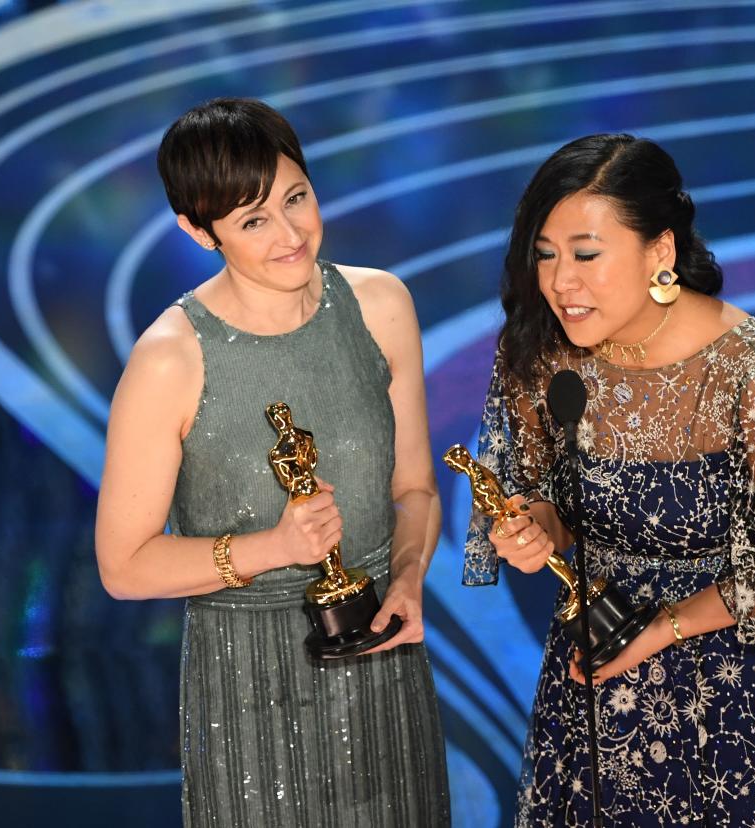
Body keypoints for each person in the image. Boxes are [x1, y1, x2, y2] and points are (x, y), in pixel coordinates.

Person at [464, 133, 755, 826]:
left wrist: (664, 627)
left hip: (740, 691)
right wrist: (534, 528)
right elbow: (551, 495)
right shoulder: (544, 351)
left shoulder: (754, 375)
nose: (560, 282)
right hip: (598, 675)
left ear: (660, 251)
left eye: (585, 254)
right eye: (544, 255)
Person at [95, 97, 450, 826]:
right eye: (254, 220)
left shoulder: (382, 305)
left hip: (385, 669)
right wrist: (275, 548)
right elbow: (123, 565)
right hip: (248, 692)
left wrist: (409, 579)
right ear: (198, 231)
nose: (291, 235)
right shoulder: (170, 359)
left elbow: (414, 487)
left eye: (297, 199)